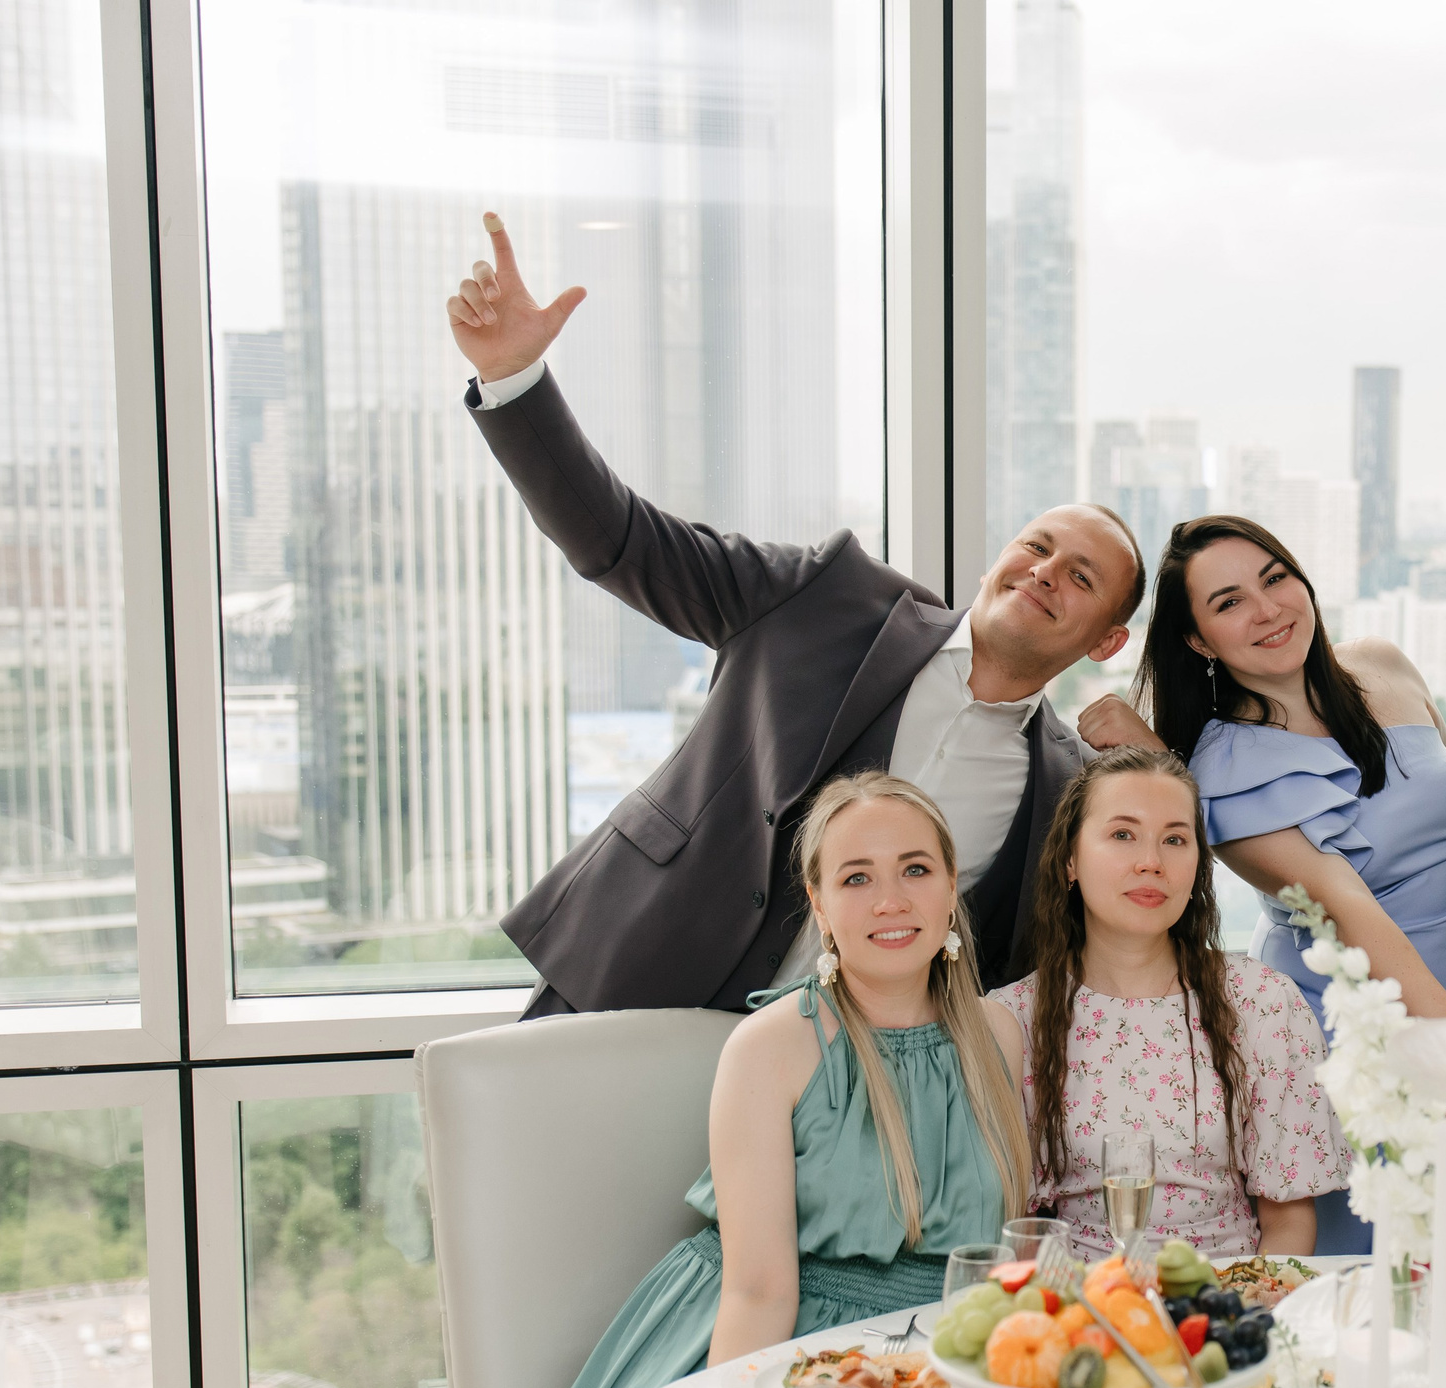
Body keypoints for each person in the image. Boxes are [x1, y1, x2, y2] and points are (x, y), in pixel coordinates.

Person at [443, 214, 1144, 1013]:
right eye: (1037, 545)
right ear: (995, 561)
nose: (1045, 572)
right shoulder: (828, 597)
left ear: (1109, 638)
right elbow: (628, 544)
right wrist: (515, 381)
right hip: (644, 976)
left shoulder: (1067, 792)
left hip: (845, 1096)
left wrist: (1160, 767)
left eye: (1081, 576)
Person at [523, 774, 1031, 1388]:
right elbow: (760, 1291)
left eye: (916, 868)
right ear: (819, 906)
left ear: (949, 888)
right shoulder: (772, 1046)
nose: (891, 899)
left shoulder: (997, 1033)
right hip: (778, 1347)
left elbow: (1001, 1254)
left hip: (933, 1355)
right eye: (856, 878)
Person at [1078, 515, 1446, 1027]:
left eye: (1275, 578)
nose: (1267, 610)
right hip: (1346, 1043)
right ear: (1199, 641)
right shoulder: (1220, 770)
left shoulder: (1382, 661)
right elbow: (1344, 906)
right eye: (1230, 602)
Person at [985, 748, 1346, 1257]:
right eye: (1122, 835)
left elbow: (1288, 1222)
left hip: (1227, 1307)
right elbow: (1017, 1232)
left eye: (1175, 839)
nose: (1151, 862)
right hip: (1080, 1312)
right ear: (1070, 859)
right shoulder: (1013, 1019)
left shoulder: (1263, 1003)